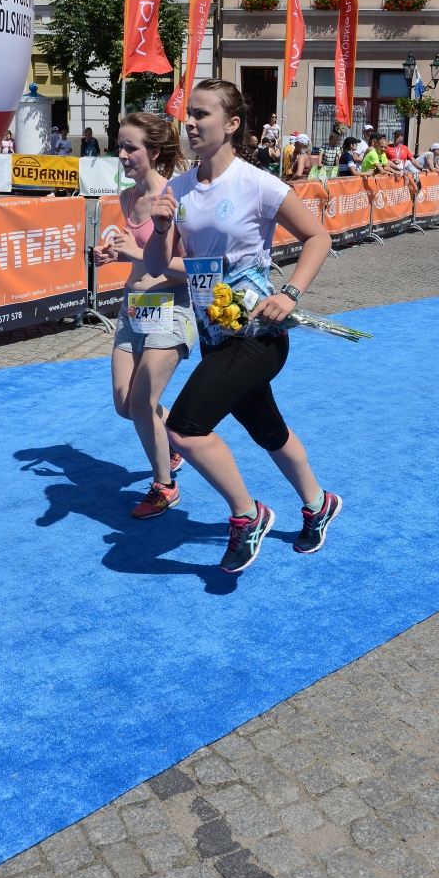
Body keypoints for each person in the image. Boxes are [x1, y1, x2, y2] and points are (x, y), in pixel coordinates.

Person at [144, 78, 340, 573]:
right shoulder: (177, 188)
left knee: (185, 429)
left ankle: (247, 515)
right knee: (268, 429)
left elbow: (318, 237)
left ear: (231, 124)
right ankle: (319, 504)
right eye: (188, 114)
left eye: (201, 114)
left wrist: (290, 293)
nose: (190, 123)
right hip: (215, 333)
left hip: (259, 334)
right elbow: (158, 264)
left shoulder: (258, 183)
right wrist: (162, 227)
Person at [94, 113, 196, 519]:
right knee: (126, 405)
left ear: (153, 152)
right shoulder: (126, 197)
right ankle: (173, 441)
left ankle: (164, 486)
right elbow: (137, 259)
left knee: (141, 402)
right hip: (133, 307)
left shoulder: (175, 200)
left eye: (130, 147)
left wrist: (134, 252)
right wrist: (111, 256)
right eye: (119, 146)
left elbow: (192, 269)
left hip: (171, 307)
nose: (121, 155)